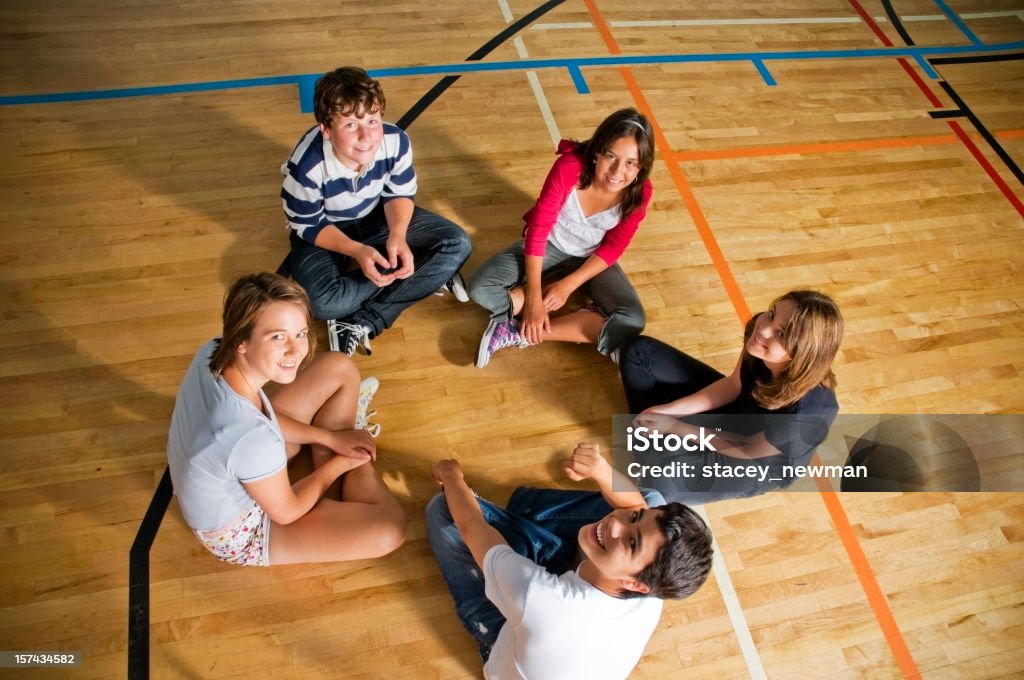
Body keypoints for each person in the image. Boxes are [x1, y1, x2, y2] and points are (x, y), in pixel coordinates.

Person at [166, 273, 406, 567]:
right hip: (245, 530)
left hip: (239, 458)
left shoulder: (212, 351)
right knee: (390, 529)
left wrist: (329, 439)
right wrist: (340, 463)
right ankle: (340, 480)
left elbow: (257, 421)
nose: (296, 350)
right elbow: (286, 512)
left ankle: (333, 470)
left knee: (339, 367)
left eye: (301, 333)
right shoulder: (251, 439)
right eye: (277, 336)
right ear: (242, 339)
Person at [425, 443, 713, 679]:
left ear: (635, 585)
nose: (615, 525)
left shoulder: (542, 599)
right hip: (567, 592)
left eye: (632, 543)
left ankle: (526, 518)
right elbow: (637, 506)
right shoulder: (655, 579)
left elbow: (471, 526)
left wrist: (451, 476)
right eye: (634, 521)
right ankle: (528, 521)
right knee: (651, 499)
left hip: (507, 628)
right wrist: (601, 470)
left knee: (444, 509)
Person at [278, 66, 472, 357]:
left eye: (372, 120)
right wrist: (357, 251)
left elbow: (399, 193)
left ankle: (360, 321)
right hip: (326, 230)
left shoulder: (395, 141)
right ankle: (420, 271)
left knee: (458, 244)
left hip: (375, 215)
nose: (367, 135)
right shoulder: (305, 166)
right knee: (321, 304)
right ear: (326, 130)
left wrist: (398, 235)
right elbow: (308, 225)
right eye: (351, 125)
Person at [467, 108, 655, 368]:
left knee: (633, 319)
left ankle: (516, 331)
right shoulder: (570, 167)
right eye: (611, 156)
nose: (617, 171)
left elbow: (613, 247)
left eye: (630, 163)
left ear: (641, 167)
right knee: (479, 288)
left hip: (591, 259)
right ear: (597, 152)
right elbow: (539, 230)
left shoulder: (640, 192)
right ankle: (582, 321)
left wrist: (567, 286)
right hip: (549, 245)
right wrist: (534, 299)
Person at [620, 289, 844, 503]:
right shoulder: (759, 337)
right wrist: (671, 410)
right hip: (739, 412)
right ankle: (651, 437)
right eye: (771, 314)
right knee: (640, 352)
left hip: (756, 460)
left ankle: (654, 451)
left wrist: (675, 427)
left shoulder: (805, 414)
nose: (764, 330)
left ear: (801, 353)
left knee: (663, 482)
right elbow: (733, 384)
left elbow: (749, 448)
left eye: (781, 334)